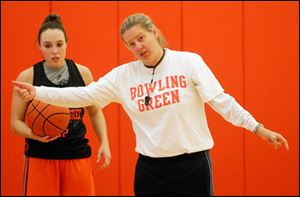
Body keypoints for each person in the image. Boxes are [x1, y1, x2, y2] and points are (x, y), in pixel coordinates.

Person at [13, 13, 289, 196]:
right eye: (131, 43)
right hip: (150, 169)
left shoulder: (189, 62)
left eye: (141, 38)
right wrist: (37, 91)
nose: (138, 46)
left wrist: (257, 127)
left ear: (154, 33)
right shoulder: (124, 76)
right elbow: (83, 95)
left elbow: (221, 101)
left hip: (192, 165)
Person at [10, 13, 111, 196]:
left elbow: (95, 112)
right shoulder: (27, 77)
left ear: (67, 43)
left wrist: (104, 141)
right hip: (41, 156)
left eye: (59, 44)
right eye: (48, 46)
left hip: (77, 155)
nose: (54, 51)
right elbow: (15, 122)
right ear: (39, 47)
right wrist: (33, 134)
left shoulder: (82, 73)